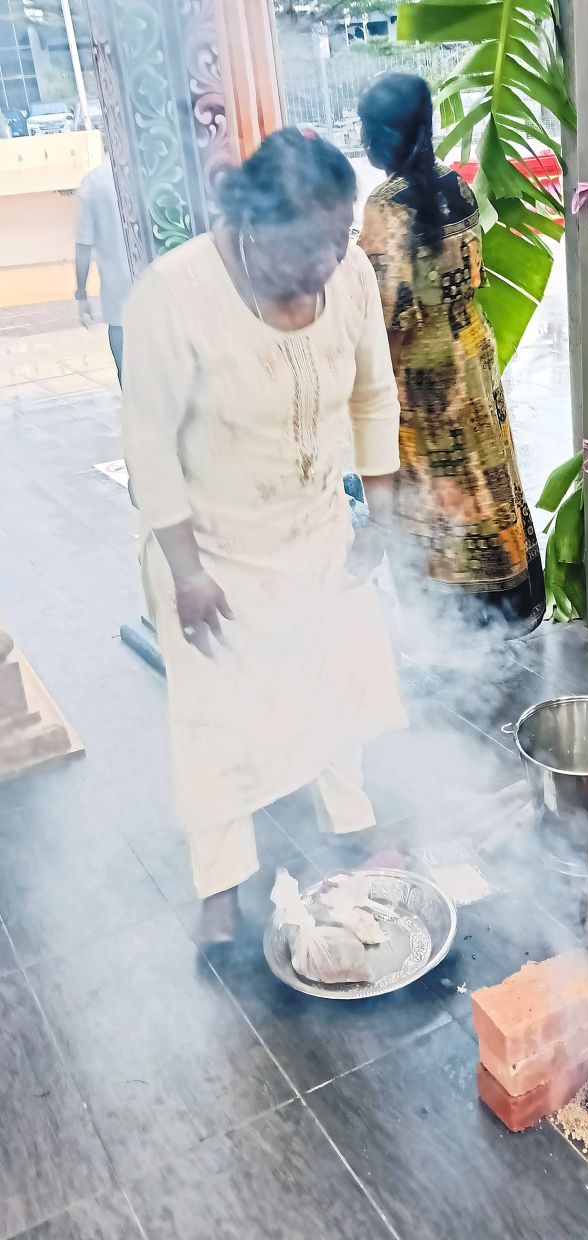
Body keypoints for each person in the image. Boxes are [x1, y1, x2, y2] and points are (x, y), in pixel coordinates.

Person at [121, 129, 406, 942]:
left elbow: (374, 396)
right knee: (219, 716)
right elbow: (147, 445)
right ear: (246, 222)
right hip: (209, 550)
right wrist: (186, 571)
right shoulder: (172, 297)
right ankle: (220, 884)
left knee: (335, 676)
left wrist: (377, 517)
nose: (325, 262)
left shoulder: (346, 274)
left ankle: (349, 822)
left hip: (314, 526)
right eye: (304, 244)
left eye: (338, 237)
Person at [356, 73, 545, 636]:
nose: (365, 143)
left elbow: (380, 306)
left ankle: (452, 619)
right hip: (470, 353)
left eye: (368, 131)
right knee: (486, 479)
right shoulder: (455, 186)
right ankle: (506, 599)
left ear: (387, 135)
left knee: (435, 493)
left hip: (421, 373)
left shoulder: (387, 205)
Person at [75, 150, 132, 384]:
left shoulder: (92, 184)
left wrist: (81, 292)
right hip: (155, 289)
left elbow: (83, 244)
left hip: (117, 296)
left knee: (127, 377)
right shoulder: (147, 174)